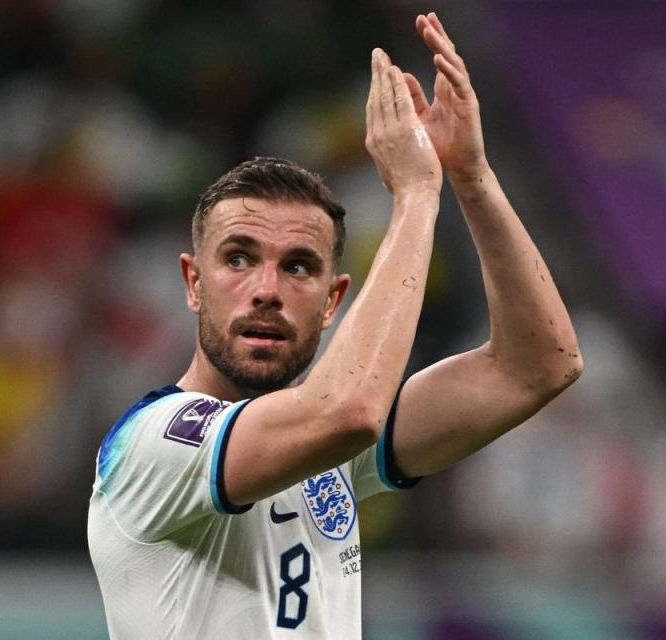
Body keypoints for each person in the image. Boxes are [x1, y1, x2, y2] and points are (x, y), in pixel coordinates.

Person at [88, 12, 582, 639]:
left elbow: (540, 365)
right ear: (192, 283)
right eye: (238, 259)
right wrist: (415, 195)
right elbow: (346, 412)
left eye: (298, 267)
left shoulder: (328, 453)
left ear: (332, 300)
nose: (266, 291)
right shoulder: (155, 444)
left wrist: (470, 177)